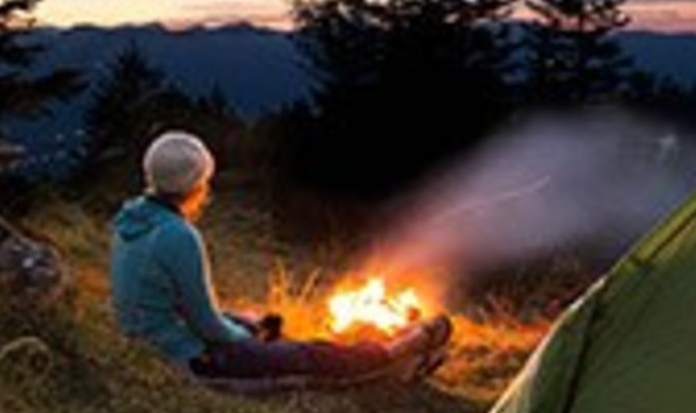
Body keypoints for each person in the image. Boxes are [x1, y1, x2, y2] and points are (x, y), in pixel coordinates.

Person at [109, 131, 450, 391]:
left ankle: (373, 356)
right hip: (190, 360)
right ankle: (394, 354)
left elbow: (176, 305)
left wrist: (244, 323)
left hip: (153, 340)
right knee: (307, 357)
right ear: (196, 185)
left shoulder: (132, 219)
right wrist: (243, 335)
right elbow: (208, 326)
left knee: (262, 324)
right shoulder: (178, 235)